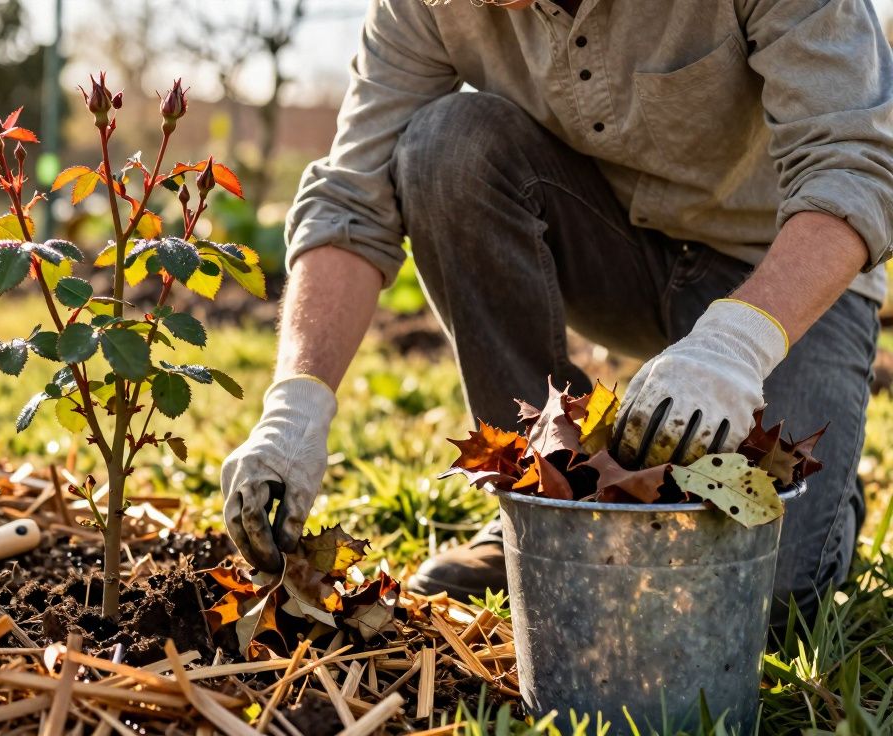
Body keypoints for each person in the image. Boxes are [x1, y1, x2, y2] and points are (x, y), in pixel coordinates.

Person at [220, 0, 893, 626]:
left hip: (783, 273)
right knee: (445, 145)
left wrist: (738, 341)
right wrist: (296, 405)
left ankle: (829, 516)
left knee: (756, 597)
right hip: (613, 254)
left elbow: (855, 165)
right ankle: (542, 498)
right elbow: (352, 199)